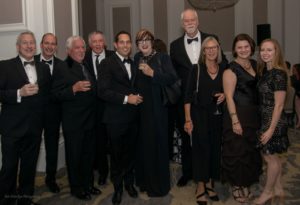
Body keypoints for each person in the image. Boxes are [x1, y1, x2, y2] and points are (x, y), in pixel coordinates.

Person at [170, 8, 228, 187]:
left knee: (210, 139)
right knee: (187, 137)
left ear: (198, 21)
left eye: (192, 20)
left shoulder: (211, 38)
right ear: (182, 24)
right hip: (186, 101)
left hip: (209, 100)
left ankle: (209, 175)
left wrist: (225, 90)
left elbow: (224, 63)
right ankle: (189, 172)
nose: (189, 23)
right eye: (186, 21)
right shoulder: (175, 45)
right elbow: (173, 73)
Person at [0, 31, 51, 205]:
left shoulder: (43, 68)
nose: (29, 46)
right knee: (9, 169)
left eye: (32, 43)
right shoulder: (4, 66)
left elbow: (46, 97)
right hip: (12, 128)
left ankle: (24, 200)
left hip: (34, 128)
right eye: (25, 43)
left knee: (29, 169)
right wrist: (18, 93)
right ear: (18, 47)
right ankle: (7, 201)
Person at [51, 36, 100, 201]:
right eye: (76, 48)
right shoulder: (62, 67)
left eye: (82, 47)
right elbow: (55, 95)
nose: (80, 50)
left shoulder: (86, 65)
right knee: (75, 156)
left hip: (90, 120)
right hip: (74, 122)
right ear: (68, 50)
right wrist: (73, 89)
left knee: (88, 156)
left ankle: (88, 184)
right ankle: (76, 188)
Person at [98, 31, 143, 205]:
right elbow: (102, 91)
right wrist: (126, 99)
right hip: (115, 119)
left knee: (130, 154)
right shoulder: (106, 63)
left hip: (133, 118)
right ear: (115, 45)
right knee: (116, 157)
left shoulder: (135, 62)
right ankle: (117, 188)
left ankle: (129, 184)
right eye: (122, 42)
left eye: (128, 42)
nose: (125, 45)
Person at [133, 29, 177, 197]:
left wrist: (153, 73)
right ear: (137, 45)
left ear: (152, 42)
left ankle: (158, 185)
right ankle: (144, 181)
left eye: (147, 40)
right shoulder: (137, 58)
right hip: (140, 108)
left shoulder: (162, 57)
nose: (144, 43)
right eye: (140, 41)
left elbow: (172, 78)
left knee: (157, 145)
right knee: (143, 145)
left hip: (157, 108)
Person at [184, 36, 225, 205]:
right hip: (199, 116)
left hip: (218, 116)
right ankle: (200, 186)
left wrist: (225, 94)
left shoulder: (224, 68)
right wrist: (188, 120)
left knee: (215, 149)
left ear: (218, 49)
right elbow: (187, 97)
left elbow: (231, 89)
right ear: (203, 51)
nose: (211, 50)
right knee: (201, 150)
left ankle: (210, 183)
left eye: (214, 47)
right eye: (207, 48)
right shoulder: (197, 69)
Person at [222, 33, 262, 203]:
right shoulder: (230, 69)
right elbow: (229, 97)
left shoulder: (255, 64)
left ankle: (245, 182)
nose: (243, 50)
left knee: (250, 149)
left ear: (251, 47)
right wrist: (235, 120)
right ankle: (237, 185)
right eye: (240, 47)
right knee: (237, 150)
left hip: (253, 114)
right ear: (235, 50)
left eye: (246, 46)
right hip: (237, 113)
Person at [253, 38, 290, 205]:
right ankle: (278, 188)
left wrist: (270, 129)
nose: (265, 53)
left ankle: (267, 192)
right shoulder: (265, 71)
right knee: (273, 157)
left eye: (269, 50)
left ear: (277, 53)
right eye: (263, 50)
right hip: (265, 118)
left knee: (269, 158)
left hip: (273, 121)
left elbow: (280, 105)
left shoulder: (279, 73)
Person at [84, 31, 114, 186]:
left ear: (105, 42)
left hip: (111, 105)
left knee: (114, 140)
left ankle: (117, 172)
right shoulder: (84, 58)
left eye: (100, 41)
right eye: (94, 41)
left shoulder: (113, 56)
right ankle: (103, 172)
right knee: (99, 141)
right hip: (93, 107)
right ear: (90, 44)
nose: (97, 44)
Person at [34, 33, 63, 193]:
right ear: (41, 44)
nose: (50, 46)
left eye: (53, 44)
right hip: (34, 114)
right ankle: (27, 180)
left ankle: (50, 179)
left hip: (54, 114)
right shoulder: (31, 62)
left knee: (52, 148)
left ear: (56, 47)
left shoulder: (62, 65)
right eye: (47, 43)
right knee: (32, 149)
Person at [291, 64, 300, 128]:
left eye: (294, 69)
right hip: (295, 96)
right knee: (297, 110)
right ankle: (298, 122)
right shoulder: (292, 77)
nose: (292, 70)